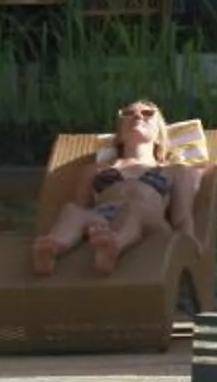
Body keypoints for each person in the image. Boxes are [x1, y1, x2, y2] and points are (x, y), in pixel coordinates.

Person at [30, 99, 200, 276]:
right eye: (129, 114)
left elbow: (182, 216)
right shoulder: (95, 170)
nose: (137, 116)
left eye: (147, 113)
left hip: (150, 221)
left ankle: (114, 247)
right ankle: (53, 246)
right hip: (103, 220)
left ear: (159, 135)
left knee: (135, 208)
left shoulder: (175, 171)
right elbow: (81, 205)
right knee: (72, 210)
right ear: (119, 134)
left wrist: (189, 242)